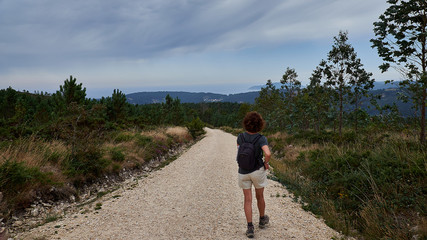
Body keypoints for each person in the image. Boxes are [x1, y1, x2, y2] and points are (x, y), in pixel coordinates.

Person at [237, 111, 271, 238]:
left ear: (246, 123)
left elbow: (239, 152)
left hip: (243, 171)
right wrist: (266, 163)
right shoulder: (261, 138)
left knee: (247, 199)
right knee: (260, 196)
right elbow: (267, 153)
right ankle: (262, 220)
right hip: (257, 170)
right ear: (260, 124)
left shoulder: (240, 137)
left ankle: (250, 227)